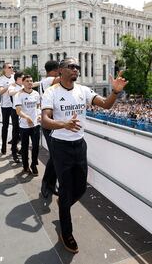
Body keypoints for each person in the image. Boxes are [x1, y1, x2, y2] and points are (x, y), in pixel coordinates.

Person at [41, 57, 128, 254]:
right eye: (71, 67)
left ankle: (64, 203)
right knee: (65, 188)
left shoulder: (84, 90)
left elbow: (106, 105)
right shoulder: (51, 92)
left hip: (79, 145)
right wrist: (64, 124)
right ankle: (66, 232)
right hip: (60, 145)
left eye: (77, 67)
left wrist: (114, 91)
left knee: (80, 188)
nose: (75, 69)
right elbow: (45, 120)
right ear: (61, 71)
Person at [38, 60, 61, 198]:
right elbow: (61, 78)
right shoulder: (50, 80)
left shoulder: (43, 81)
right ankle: (47, 184)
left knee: (55, 155)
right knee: (55, 155)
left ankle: (50, 184)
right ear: (55, 70)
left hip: (50, 122)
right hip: (50, 123)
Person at [15, 75, 40, 175]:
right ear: (23, 83)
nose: (30, 83)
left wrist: (39, 115)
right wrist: (27, 117)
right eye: (27, 81)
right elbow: (18, 111)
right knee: (24, 147)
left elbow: (38, 106)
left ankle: (33, 165)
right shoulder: (19, 95)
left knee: (35, 146)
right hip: (24, 126)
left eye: (31, 81)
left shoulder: (36, 94)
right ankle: (25, 166)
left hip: (35, 125)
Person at [0, 62, 15, 154]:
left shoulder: (15, 77)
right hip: (5, 106)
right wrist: (9, 86)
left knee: (16, 126)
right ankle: (3, 145)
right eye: (9, 67)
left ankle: (14, 146)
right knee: (5, 126)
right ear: (4, 69)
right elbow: (0, 92)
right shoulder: (1, 79)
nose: (11, 68)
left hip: (15, 105)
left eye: (12, 67)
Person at [8, 71, 24, 163]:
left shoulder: (23, 85)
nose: (24, 79)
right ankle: (14, 153)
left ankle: (21, 150)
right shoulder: (13, 86)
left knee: (24, 132)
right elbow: (10, 93)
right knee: (16, 132)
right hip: (15, 111)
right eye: (22, 77)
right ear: (17, 79)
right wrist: (21, 90)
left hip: (24, 111)